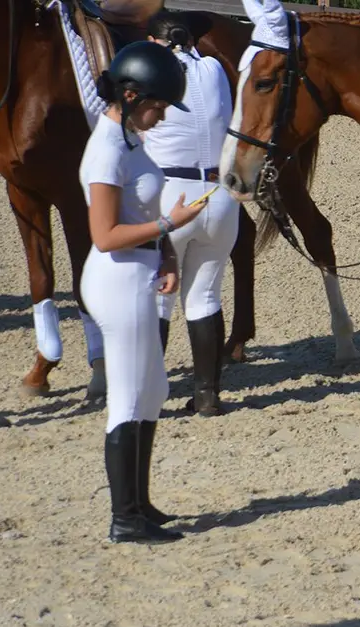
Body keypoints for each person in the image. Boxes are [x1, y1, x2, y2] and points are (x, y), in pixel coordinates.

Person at [79, 40, 207, 544]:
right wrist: (169, 222)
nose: (160, 116)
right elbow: (105, 235)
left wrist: (169, 250)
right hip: (117, 280)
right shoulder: (107, 150)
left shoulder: (130, 140)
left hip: (142, 272)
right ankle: (124, 518)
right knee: (130, 396)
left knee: (153, 391)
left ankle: (141, 503)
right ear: (130, 95)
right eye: (156, 106)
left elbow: (139, 218)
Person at [143, 9, 239, 416]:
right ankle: (207, 396)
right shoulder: (215, 68)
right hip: (218, 197)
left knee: (160, 301)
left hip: (170, 194)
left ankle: (148, 395)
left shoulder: (152, 71)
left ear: (155, 42)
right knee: (205, 297)